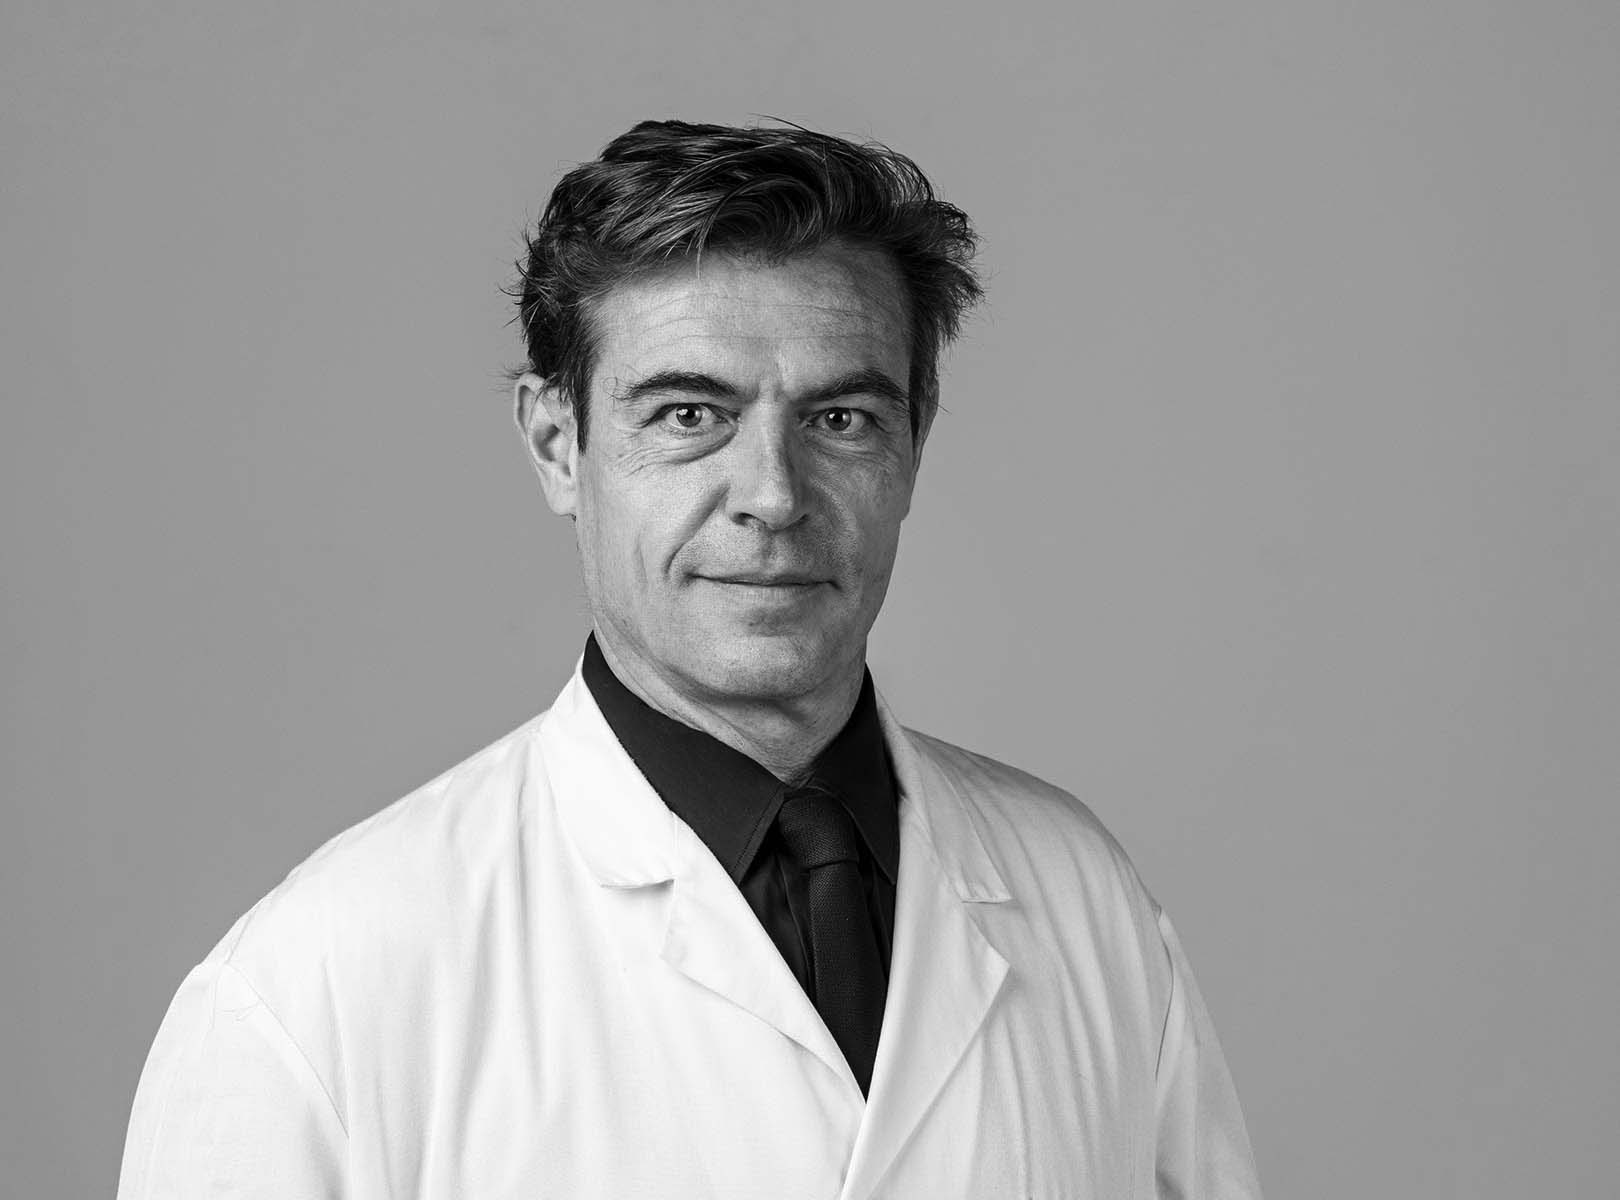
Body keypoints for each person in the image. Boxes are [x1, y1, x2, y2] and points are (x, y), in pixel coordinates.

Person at [117, 119, 1263, 1199]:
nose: (772, 496)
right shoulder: (314, 989)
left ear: (914, 445)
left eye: (841, 419)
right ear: (557, 445)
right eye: (687, 415)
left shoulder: (1085, 900)